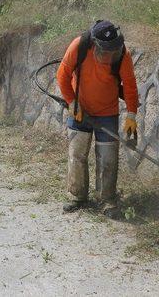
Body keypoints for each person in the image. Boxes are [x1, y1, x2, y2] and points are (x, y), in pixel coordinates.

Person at [56, 20, 139, 218]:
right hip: (80, 110)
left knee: (108, 159)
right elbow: (62, 75)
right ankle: (77, 197)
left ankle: (107, 200)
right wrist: (71, 102)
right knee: (76, 154)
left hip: (108, 113)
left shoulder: (123, 54)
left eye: (114, 51)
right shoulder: (79, 46)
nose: (110, 56)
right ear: (95, 44)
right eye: (106, 51)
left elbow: (129, 84)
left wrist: (131, 115)